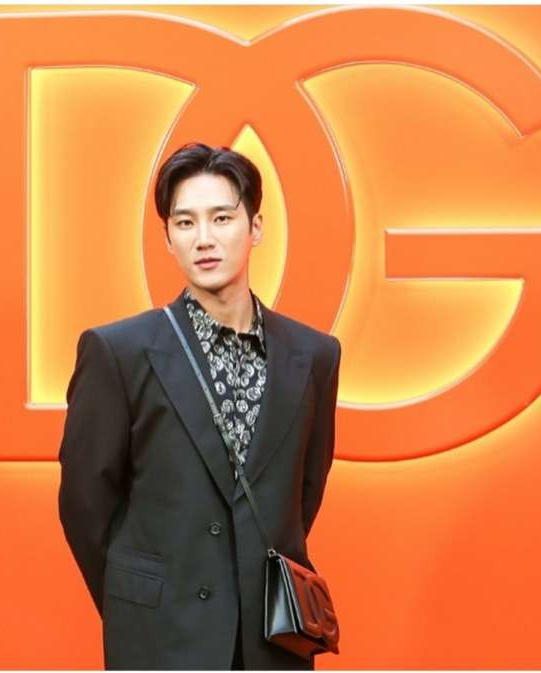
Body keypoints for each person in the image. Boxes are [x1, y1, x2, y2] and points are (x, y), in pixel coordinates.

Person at [58, 142, 342, 670]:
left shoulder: (314, 355)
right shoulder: (119, 352)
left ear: (256, 227)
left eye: (221, 218)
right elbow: (84, 502)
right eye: (185, 223)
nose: (204, 238)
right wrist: (140, 598)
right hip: (160, 640)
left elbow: (303, 493)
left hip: (270, 642)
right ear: (168, 238)